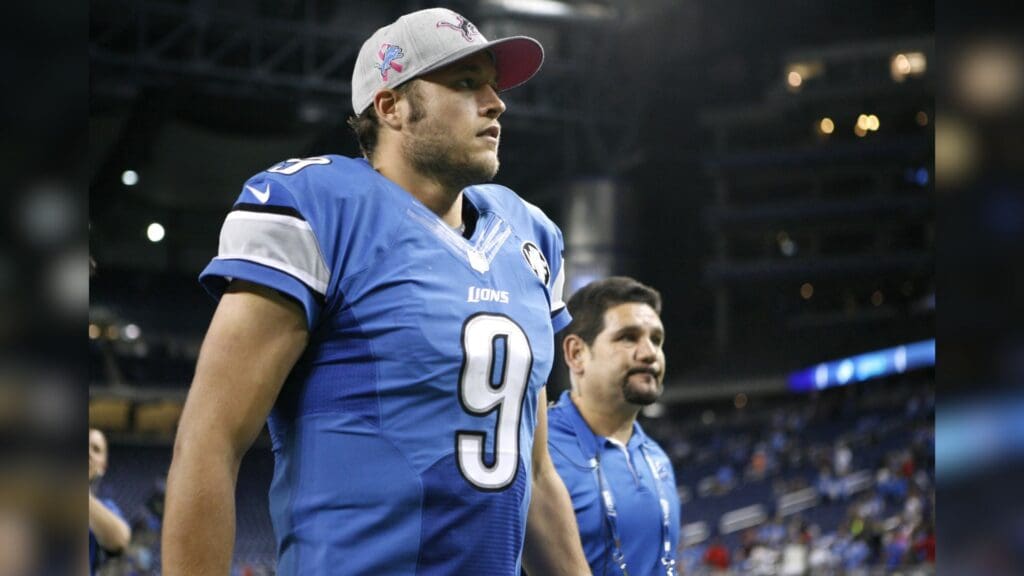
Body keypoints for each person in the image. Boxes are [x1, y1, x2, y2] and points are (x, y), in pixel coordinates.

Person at [162, 7, 589, 575]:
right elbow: (210, 441)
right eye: (465, 83)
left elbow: (534, 473)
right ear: (390, 107)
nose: (495, 102)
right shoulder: (319, 208)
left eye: (492, 84)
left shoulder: (530, 236)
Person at [548, 276, 681, 575]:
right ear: (576, 353)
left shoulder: (657, 459)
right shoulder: (537, 455)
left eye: (656, 340)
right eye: (628, 337)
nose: (650, 354)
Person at [89, 428, 131, 576]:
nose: (88, 453)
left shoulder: (106, 508)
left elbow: (120, 540)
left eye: (96, 449)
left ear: (103, 466)